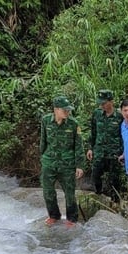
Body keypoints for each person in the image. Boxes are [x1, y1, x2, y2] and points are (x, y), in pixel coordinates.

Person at [39, 95, 86, 227]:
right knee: (48, 191)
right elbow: (43, 141)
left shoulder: (73, 124)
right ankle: (54, 215)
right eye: (64, 110)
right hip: (49, 162)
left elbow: (79, 146)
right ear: (56, 109)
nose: (67, 112)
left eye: (68, 110)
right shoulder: (46, 120)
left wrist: (80, 166)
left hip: (67, 164)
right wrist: (42, 158)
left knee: (69, 193)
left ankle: (72, 218)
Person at [86, 89, 124, 202]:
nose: (101, 105)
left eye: (104, 103)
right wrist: (90, 148)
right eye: (100, 103)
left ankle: (116, 202)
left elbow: (124, 135)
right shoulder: (97, 114)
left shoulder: (119, 116)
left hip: (114, 153)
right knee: (96, 175)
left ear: (111, 101)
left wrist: (123, 151)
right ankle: (98, 196)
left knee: (114, 179)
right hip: (99, 151)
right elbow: (93, 132)